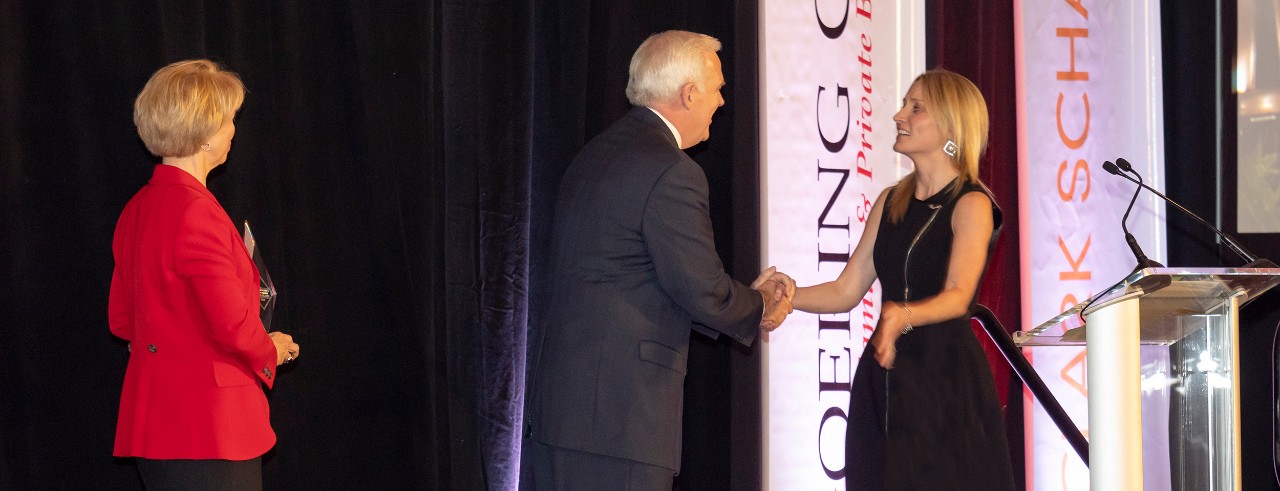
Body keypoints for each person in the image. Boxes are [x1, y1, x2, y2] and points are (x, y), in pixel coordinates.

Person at [526, 30, 794, 489]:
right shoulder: (672, 171)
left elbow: (638, 279)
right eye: (717, 90)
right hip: (620, 422)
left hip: (563, 417)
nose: (721, 102)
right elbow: (702, 290)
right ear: (689, 94)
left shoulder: (594, 155)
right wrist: (760, 306)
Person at [782, 69, 1014, 489]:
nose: (898, 115)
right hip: (884, 379)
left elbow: (959, 296)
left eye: (916, 107)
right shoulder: (891, 200)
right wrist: (788, 295)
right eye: (905, 104)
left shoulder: (972, 203)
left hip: (943, 383)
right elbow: (846, 289)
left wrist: (898, 315)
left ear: (950, 126)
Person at [108, 59, 300, 490]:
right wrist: (271, 350)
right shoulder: (197, 212)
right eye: (230, 119)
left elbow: (122, 320)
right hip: (210, 427)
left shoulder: (137, 209)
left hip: (154, 423)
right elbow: (232, 324)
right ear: (206, 133)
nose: (233, 130)